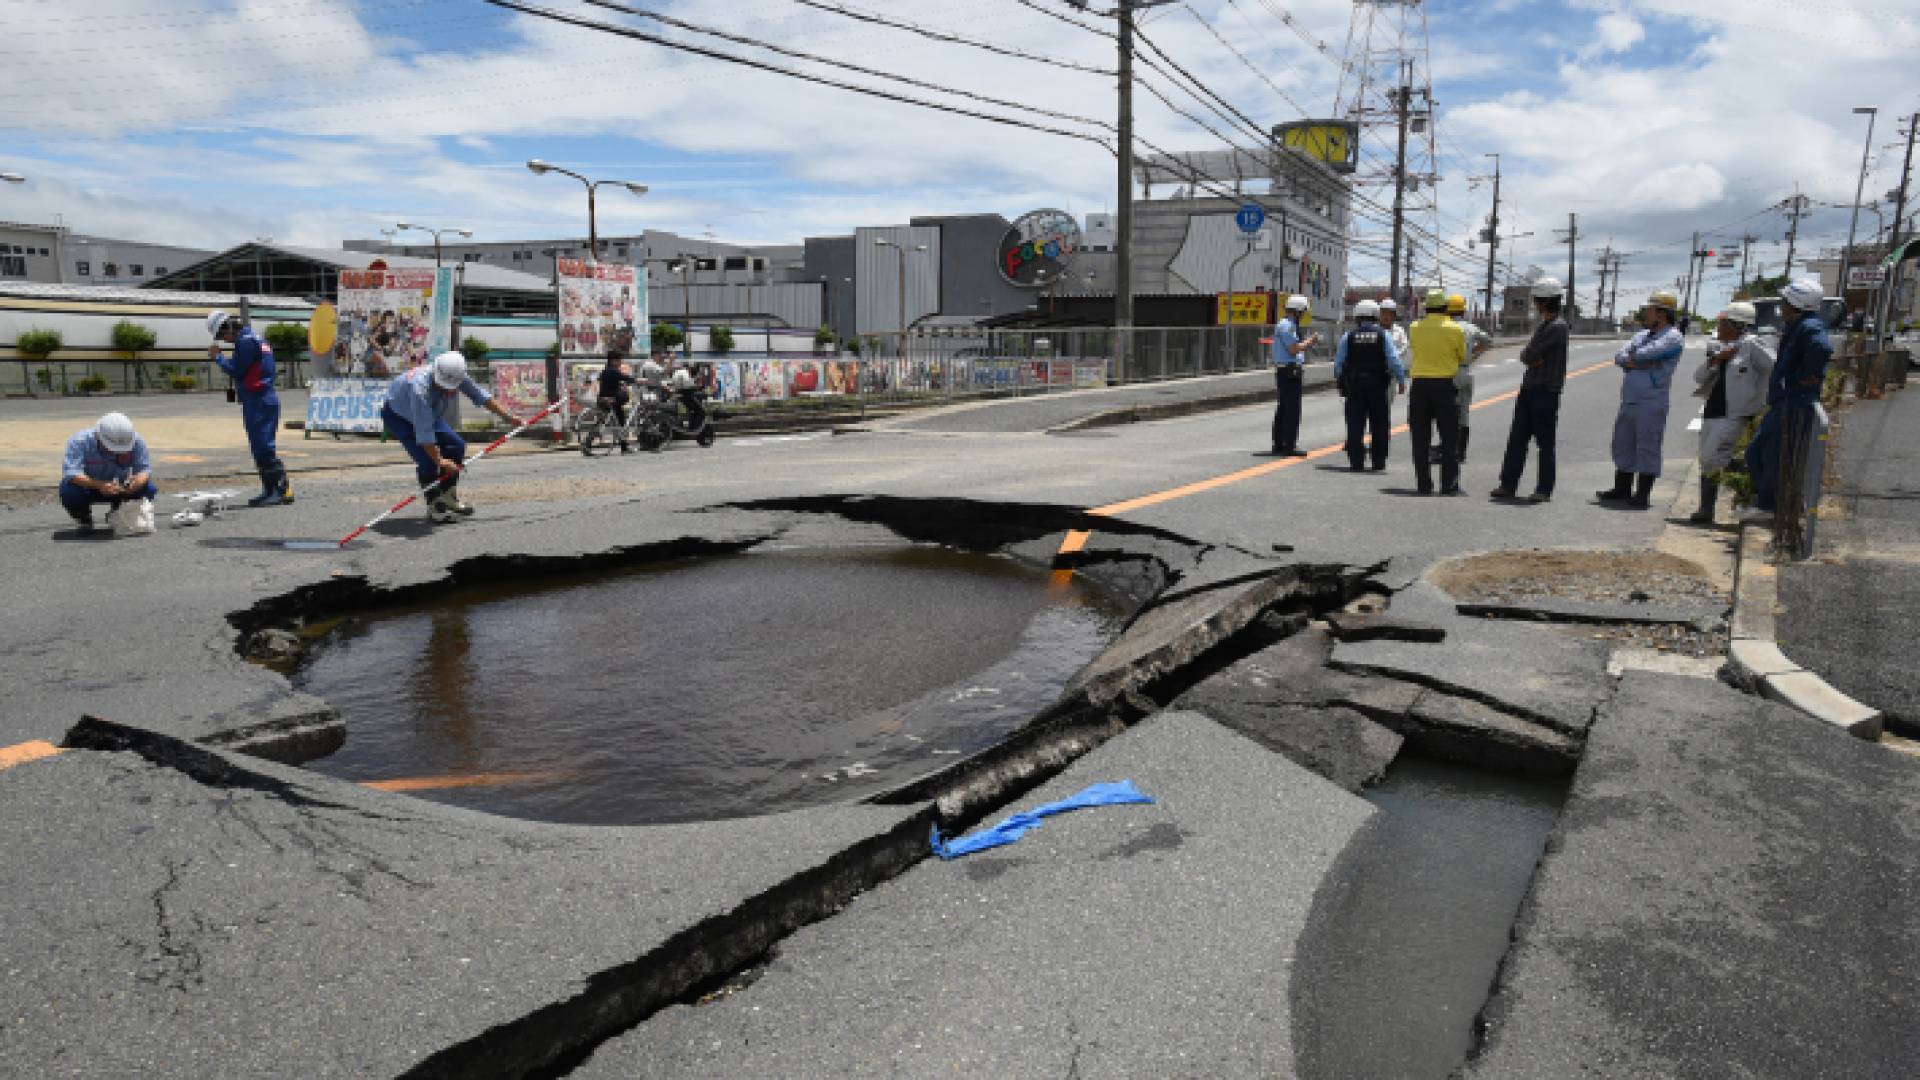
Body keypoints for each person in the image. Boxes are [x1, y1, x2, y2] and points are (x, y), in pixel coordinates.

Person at [381, 352, 525, 524]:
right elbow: (424, 433)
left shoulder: (455, 373)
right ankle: (434, 502)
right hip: (400, 416)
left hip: (430, 414)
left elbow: (480, 396)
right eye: (445, 387)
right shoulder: (420, 389)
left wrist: (508, 417)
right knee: (428, 460)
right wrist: (440, 460)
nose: (448, 391)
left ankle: (448, 494)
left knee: (456, 445)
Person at [1744, 280, 1833, 522]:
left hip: (1794, 402)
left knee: (1773, 456)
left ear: (1795, 304)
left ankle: (1769, 507)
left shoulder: (1809, 327)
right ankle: (1770, 503)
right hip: (1785, 400)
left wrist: (1806, 377)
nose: (1781, 306)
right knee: (1758, 453)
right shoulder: (1798, 325)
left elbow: (1822, 349)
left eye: (1784, 302)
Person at [1598, 290, 1686, 509]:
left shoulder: (1673, 337)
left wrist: (1635, 360)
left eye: (1649, 309)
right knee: (1623, 442)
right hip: (1630, 398)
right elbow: (1620, 357)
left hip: (1651, 400)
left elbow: (1645, 355)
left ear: (1662, 313)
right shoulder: (1640, 336)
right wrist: (1636, 361)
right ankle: (1622, 488)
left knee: (1648, 445)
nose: (1645, 313)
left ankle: (1642, 494)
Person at [1688, 302, 1774, 524]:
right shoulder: (1719, 347)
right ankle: (1706, 510)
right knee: (1707, 461)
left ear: (1735, 324)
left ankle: (1751, 472)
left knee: (1712, 457)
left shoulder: (1752, 345)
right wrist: (1716, 359)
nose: (1718, 326)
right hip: (1712, 411)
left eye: (1722, 323)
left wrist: (1759, 398)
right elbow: (1698, 378)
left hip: (1734, 413)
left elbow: (1773, 366)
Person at [1491, 278, 1570, 503]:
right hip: (1530, 389)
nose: (1534, 304)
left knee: (1545, 443)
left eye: (1536, 300)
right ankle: (1508, 485)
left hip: (1546, 390)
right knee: (1517, 439)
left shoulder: (1557, 327)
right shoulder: (1545, 325)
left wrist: (1531, 358)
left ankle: (1544, 489)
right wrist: (1531, 358)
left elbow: (1531, 355)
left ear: (1544, 302)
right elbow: (1527, 355)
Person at [207, 311, 292, 507]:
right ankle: (272, 489)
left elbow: (236, 371)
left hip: (258, 399)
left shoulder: (245, 342)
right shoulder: (256, 338)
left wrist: (218, 358)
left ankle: (279, 490)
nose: (224, 340)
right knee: (260, 447)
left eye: (222, 335)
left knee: (263, 447)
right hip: (261, 397)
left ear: (228, 327)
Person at [1406, 288, 1468, 495]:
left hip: (1420, 385)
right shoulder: (1455, 329)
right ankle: (1448, 485)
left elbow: (1414, 348)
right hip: (1444, 385)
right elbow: (1462, 357)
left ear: (1426, 308)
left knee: (1420, 438)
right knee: (1449, 437)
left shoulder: (1414, 328)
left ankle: (1424, 485)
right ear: (1445, 307)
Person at [1333, 300, 1407, 471]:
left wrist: (1340, 380)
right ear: (1376, 316)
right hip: (1378, 385)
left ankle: (1356, 461)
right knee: (1379, 424)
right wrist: (1401, 380)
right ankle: (1378, 461)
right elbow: (1394, 360)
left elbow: (1338, 363)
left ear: (1357, 316)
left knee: (1355, 423)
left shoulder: (1348, 336)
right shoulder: (1383, 335)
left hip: (1355, 385)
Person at [59, 412, 156, 533]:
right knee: (68, 490)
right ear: (99, 436)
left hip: (120, 487)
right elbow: (71, 473)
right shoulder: (79, 441)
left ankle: (118, 513)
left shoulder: (137, 441)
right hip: (89, 486)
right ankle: (83, 518)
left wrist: (136, 483)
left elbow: (144, 470)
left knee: (148, 488)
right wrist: (100, 485)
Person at [1443, 294, 1494, 464]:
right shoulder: (1471, 328)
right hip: (1466, 372)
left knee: (1448, 412)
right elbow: (1488, 341)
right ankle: (1461, 452)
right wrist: (1473, 354)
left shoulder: (1446, 327)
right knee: (1463, 413)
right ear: (1463, 311)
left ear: (1447, 311)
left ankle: (1449, 448)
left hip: (1449, 373)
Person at [1270, 295, 1319, 455]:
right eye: (1303, 312)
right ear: (1297, 311)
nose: (1303, 315)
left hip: (1285, 370)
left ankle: (1279, 443)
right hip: (1289, 371)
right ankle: (1289, 445)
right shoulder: (1288, 326)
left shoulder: (1286, 325)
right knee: (1292, 409)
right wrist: (1310, 342)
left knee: (1283, 407)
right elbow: (1293, 348)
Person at [594, 347, 638, 453]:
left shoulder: (605, 370)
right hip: (612, 400)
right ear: (613, 360)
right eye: (619, 360)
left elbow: (609, 382)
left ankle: (624, 447)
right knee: (624, 402)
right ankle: (624, 447)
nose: (620, 363)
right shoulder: (613, 371)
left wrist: (620, 383)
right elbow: (627, 378)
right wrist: (639, 380)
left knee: (618, 420)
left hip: (602, 400)